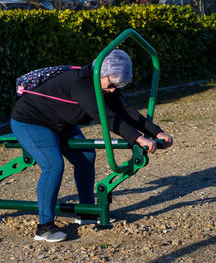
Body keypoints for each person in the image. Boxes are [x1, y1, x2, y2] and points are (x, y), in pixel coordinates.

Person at [11, 49, 173, 242]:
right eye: (112, 84)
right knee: (53, 165)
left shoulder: (102, 84)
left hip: (60, 123)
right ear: (101, 72)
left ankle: (87, 213)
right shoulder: (81, 85)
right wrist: (138, 139)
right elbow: (107, 118)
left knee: (86, 157)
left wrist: (157, 132)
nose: (113, 89)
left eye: (117, 85)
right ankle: (44, 227)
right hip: (31, 121)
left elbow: (127, 111)